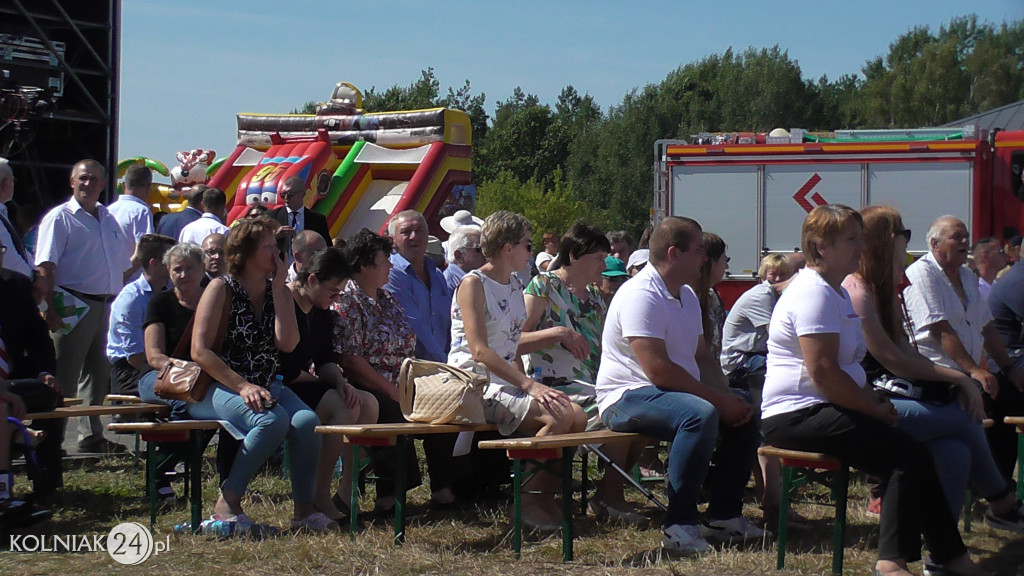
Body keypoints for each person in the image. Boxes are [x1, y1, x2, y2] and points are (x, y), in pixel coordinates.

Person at [761, 204, 989, 576]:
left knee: (920, 454)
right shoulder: (813, 293)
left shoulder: (833, 291)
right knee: (907, 457)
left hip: (823, 407)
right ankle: (892, 561)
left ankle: (951, 558)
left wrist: (875, 402)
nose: (862, 246)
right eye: (852, 239)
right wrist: (873, 408)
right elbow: (825, 375)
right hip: (796, 415)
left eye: (861, 237)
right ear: (820, 247)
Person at [842, 206, 1024, 545]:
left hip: (893, 392)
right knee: (963, 417)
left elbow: (912, 351)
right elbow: (895, 358)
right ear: (887, 241)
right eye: (903, 235)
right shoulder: (862, 290)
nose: (907, 246)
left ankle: (943, 555)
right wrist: (961, 377)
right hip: (857, 404)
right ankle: (1002, 501)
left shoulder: (886, 289)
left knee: (956, 450)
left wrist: (964, 378)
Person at [596, 216, 764, 556]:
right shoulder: (640, 295)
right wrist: (717, 400)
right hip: (625, 396)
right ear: (674, 253)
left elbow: (702, 358)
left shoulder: (686, 294)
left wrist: (730, 399)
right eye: (699, 250)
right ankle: (680, 525)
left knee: (746, 409)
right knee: (699, 414)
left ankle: (723, 516)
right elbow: (658, 370)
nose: (705, 257)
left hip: (667, 395)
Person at [187, 215, 333, 532]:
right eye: (268, 247)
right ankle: (227, 502)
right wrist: (241, 386)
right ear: (247, 253)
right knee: (271, 420)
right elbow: (200, 351)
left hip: (267, 385)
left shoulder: (274, 289)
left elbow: (288, 342)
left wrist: (280, 288)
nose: (276, 254)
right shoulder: (219, 288)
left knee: (307, 421)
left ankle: (303, 511)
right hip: (220, 386)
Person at [449, 211, 586, 530]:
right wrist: (529, 386)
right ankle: (526, 503)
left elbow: (511, 345)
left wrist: (528, 381)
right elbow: (480, 351)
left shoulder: (513, 284)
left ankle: (541, 497)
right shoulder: (473, 284)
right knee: (560, 416)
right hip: (473, 383)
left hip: (504, 380)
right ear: (507, 248)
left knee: (576, 415)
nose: (531, 250)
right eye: (527, 244)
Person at [520, 221, 646, 524]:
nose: (605, 265)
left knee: (645, 414)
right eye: (599, 258)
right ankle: (608, 498)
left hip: (593, 383)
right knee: (619, 416)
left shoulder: (593, 298)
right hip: (552, 382)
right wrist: (558, 333)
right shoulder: (543, 287)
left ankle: (606, 494)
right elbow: (514, 341)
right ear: (574, 255)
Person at [904, 215, 1024, 487]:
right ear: (935, 244)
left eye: (966, 236)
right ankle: (990, 489)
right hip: (935, 373)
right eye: (957, 237)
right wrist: (975, 371)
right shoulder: (922, 274)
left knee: (1012, 394)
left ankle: (999, 483)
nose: (965, 242)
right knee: (984, 397)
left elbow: (987, 327)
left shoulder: (967, 276)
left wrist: (1007, 369)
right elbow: (940, 330)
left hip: (966, 370)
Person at [334, 229, 448, 512]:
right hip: (364, 384)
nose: (389, 266)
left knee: (445, 408)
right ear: (364, 265)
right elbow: (351, 360)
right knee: (394, 412)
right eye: (384, 260)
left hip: (401, 381)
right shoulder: (347, 301)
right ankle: (389, 497)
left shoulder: (387, 299)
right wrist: (393, 392)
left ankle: (446, 489)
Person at [35, 159, 134, 453]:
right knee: (64, 375)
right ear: (72, 181)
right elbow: (45, 267)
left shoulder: (108, 218)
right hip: (72, 304)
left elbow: (119, 266)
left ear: (104, 185)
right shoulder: (60, 218)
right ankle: (52, 438)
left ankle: (91, 435)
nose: (87, 184)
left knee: (97, 374)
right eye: (83, 178)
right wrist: (49, 308)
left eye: (93, 179)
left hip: (105, 304)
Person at [284, 247, 378, 522]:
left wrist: (340, 382)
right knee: (344, 409)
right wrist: (327, 385)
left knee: (366, 403)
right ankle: (319, 493)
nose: (336, 299)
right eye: (333, 292)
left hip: (308, 381)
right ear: (312, 280)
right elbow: (286, 366)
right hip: (284, 382)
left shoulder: (321, 311)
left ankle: (347, 489)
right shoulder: (284, 303)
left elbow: (325, 357)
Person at [0, 250, 61, 505]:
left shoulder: (15, 284)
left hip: (12, 374)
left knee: (50, 395)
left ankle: (46, 484)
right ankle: (17, 436)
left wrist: (44, 372)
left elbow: (37, 335)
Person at [106, 234, 176, 395]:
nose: (176, 264)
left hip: (159, 366)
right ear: (154, 264)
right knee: (179, 394)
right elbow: (134, 357)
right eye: (171, 260)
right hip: (130, 372)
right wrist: (172, 375)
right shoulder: (131, 299)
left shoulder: (169, 292)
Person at [384, 210, 452, 364]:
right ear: (392, 240)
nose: (414, 236)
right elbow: (413, 325)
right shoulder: (391, 273)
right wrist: (444, 363)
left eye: (419, 231)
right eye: (406, 232)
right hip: (412, 367)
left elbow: (448, 323)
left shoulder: (436, 274)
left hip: (442, 366)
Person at [108, 164, 155, 281]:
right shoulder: (141, 211)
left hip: (105, 279)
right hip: (129, 281)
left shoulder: (108, 210)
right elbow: (143, 251)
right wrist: (122, 277)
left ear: (123, 185)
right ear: (148, 188)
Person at [0, 157, 40, 281]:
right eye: (13, 181)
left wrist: (36, 272)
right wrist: (33, 277)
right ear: (6, 184)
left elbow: (20, 249)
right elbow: (9, 257)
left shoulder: (3, 212)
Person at [692, 233, 729, 360]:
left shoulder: (712, 296)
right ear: (710, 261)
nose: (727, 266)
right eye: (726, 260)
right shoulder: (686, 297)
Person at [267, 176, 332, 246]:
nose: (286, 198)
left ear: (302, 194)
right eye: (283, 195)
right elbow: (259, 244)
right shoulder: (271, 216)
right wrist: (275, 235)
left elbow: (327, 247)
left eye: (290, 194)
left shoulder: (318, 220)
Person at [443, 225, 486, 294]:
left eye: (486, 248)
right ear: (458, 255)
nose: (485, 253)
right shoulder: (447, 284)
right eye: (479, 249)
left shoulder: (481, 277)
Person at [971, 237, 1005, 303]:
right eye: (1000, 251)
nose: (1003, 255)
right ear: (985, 256)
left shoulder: (996, 286)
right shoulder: (975, 288)